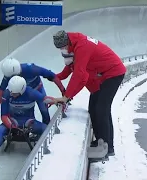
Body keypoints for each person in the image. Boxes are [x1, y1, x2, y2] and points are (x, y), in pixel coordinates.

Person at [52, 30, 127, 160]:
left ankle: (106, 149)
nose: (63, 50)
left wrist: (66, 97)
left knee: (102, 109)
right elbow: (67, 71)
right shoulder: (74, 44)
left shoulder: (82, 47)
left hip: (113, 73)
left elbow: (79, 74)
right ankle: (100, 141)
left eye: (63, 47)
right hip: (101, 76)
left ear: (67, 42)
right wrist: (51, 76)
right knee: (93, 108)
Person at [0, 76, 57, 161]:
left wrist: (57, 101)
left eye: (15, 93)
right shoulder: (7, 94)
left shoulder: (31, 92)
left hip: (29, 122)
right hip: (13, 121)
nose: (12, 95)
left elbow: (44, 99)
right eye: (11, 92)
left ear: (22, 90)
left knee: (46, 129)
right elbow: (4, 115)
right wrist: (11, 126)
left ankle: (47, 147)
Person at [0, 57, 65, 125]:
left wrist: (63, 90)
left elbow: (51, 75)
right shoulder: (8, 74)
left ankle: (46, 126)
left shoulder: (31, 69)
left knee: (44, 109)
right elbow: (2, 89)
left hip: (37, 89)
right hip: (24, 93)